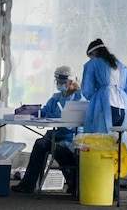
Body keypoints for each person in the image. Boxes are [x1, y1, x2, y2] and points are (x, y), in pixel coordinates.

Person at [12, 66, 84, 194]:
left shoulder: (80, 98)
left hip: (71, 135)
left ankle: (74, 182)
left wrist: (51, 116)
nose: (59, 85)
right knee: (40, 144)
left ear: (71, 82)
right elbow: (45, 111)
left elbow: (73, 119)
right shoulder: (56, 97)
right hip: (55, 133)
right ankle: (28, 184)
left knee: (59, 148)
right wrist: (30, 111)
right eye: (58, 82)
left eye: (62, 83)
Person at [81, 38, 127, 133]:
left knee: (101, 139)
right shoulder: (122, 67)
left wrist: (95, 100)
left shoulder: (93, 63)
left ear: (94, 52)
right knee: (117, 141)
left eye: (91, 56)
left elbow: (87, 89)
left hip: (104, 104)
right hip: (123, 107)